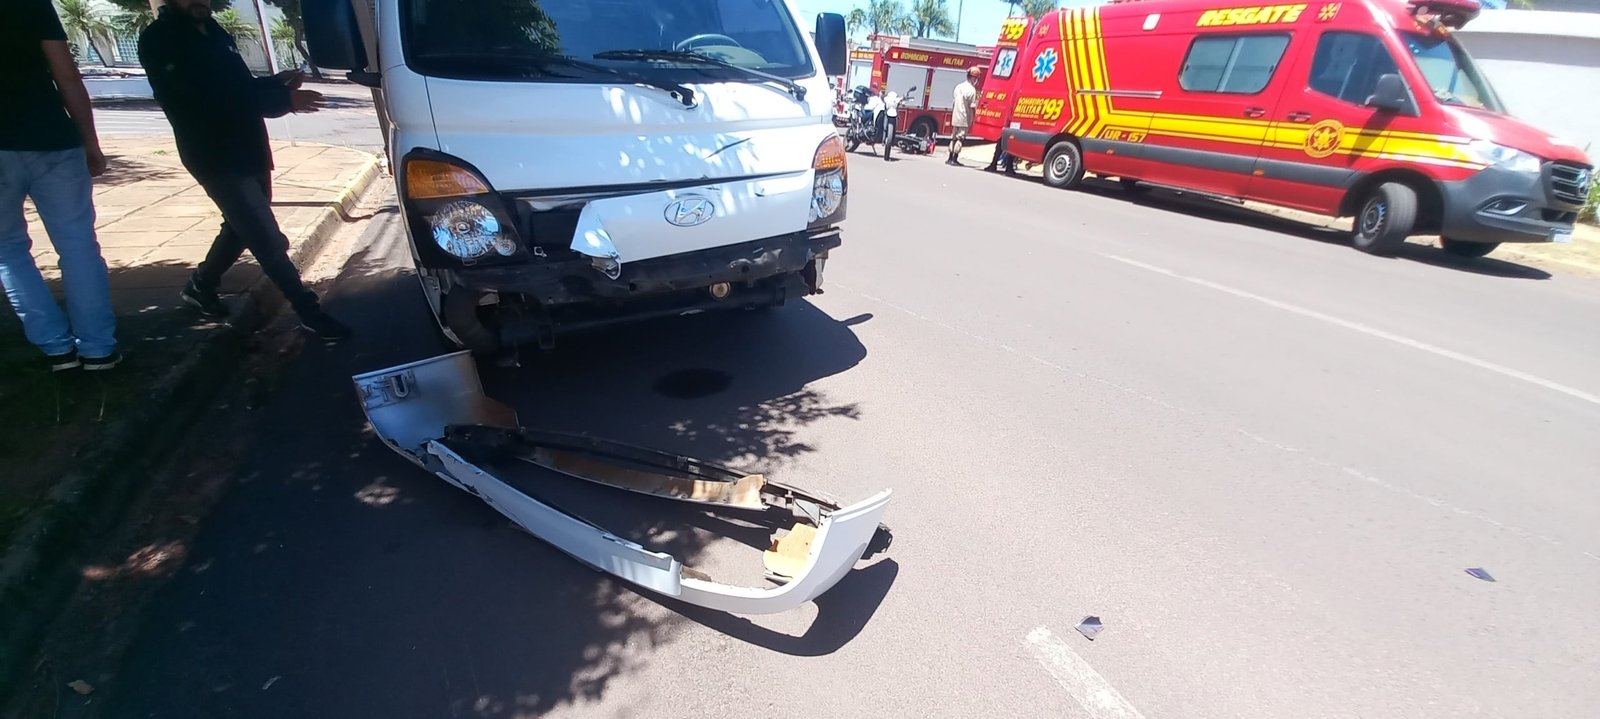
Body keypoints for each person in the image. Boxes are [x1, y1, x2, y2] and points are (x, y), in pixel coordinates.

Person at [139, 0, 352, 341]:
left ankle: (201, 285)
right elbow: (203, 101)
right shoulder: (160, 39)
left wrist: (276, 85)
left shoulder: (214, 31)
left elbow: (239, 86)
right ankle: (309, 311)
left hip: (250, 148)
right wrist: (282, 103)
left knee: (241, 227)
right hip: (214, 155)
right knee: (266, 237)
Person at [1, 0, 119, 371]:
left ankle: (55, 347)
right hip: (51, 136)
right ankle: (98, 347)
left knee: (7, 248)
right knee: (78, 245)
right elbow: (66, 74)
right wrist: (89, 139)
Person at [947, 67, 981, 166]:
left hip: (955, 115)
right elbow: (972, 106)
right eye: (976, 78)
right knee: (960, 138)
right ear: (973, 78)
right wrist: (975, 117)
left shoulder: (958, 87)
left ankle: (949, 157)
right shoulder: (972, 90)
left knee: (953, 137)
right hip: (964, 117)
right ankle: (954, 159)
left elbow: (954, 102)